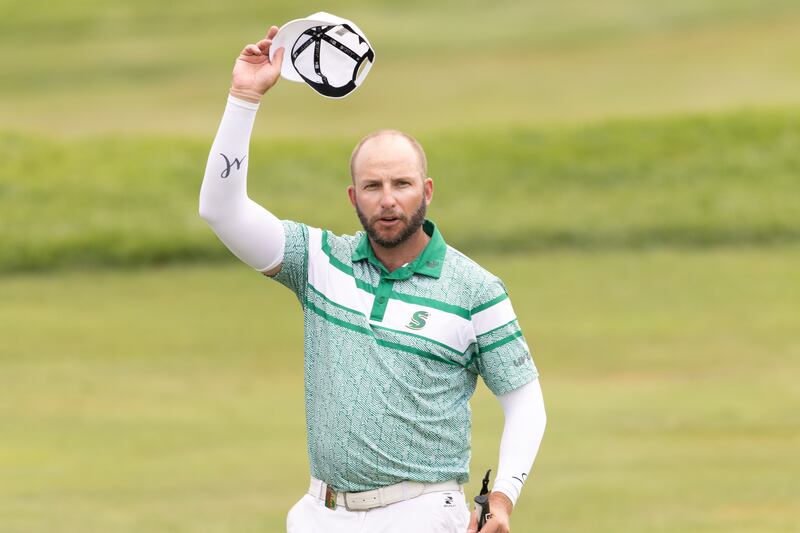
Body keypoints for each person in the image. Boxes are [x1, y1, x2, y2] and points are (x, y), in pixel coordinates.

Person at [199, 25, 547, 533]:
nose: (388, 199)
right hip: (320, 513)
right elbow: (221, 211)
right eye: (373, 186)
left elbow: (525, 402)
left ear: (426, 191)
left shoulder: (475, 289)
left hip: (423, 513)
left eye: (402, 184)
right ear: (353, 197)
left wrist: (503, 498)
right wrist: (244, 97)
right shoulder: (319, 261)